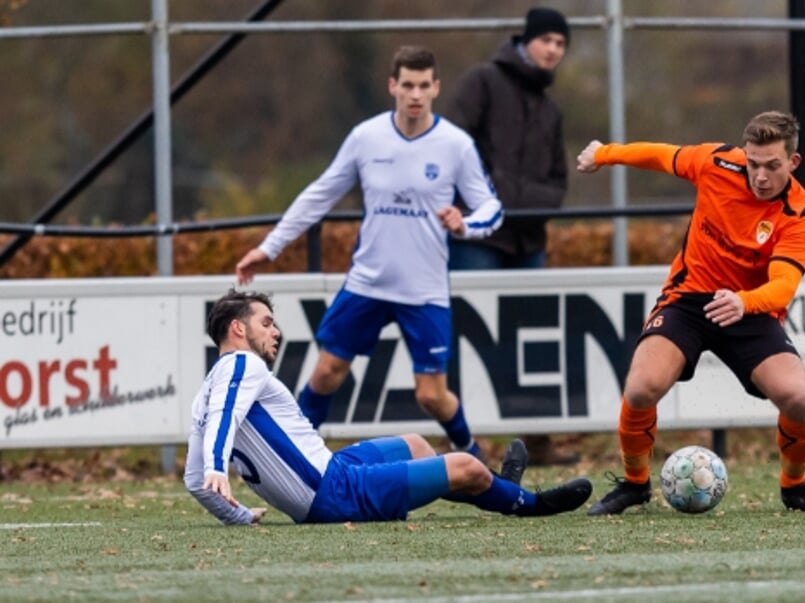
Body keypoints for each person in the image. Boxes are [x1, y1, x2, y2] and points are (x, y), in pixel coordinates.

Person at [235, 46, 503, 461]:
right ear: (393, 86)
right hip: (368, 283)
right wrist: (269, 247)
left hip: (424, 289)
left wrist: (465, 224)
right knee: (325, 373)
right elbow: (321, 193)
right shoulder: (367, 137)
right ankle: (294, 459)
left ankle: (473, 453)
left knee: (431, 396)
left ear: (435, 88)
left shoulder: (455, 145)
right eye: (407, 85)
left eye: (424, 86)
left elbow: (491, 207)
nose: (415, 94)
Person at [576, 111, 805, 514]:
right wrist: (605, 153)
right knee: (641, 387)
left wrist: (743, 301)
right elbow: (662, 155)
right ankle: (634, 484)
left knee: (798, 399)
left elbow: (783, 286)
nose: (761, 176)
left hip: (750, 309)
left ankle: (796, 488)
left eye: (772, 166)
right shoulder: (717, 163)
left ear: (793, 162)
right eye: (753, 164)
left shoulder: (799, 216)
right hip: (688, 300)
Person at [183, 289, 593, 525]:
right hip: (333, 495)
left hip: (334, 472)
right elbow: (225, 423)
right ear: (238, 328)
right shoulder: (243, 364)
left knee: (416, 443)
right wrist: (219, 467)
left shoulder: (205, 392)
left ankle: (501, 489)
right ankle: (532, 504)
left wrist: (237, 516)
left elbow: (191, 479)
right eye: (267, 322)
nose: (276, 331)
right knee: (466, 467)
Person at [445, 7, 577, 466]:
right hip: (478, 239)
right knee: (466, 339)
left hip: (527, 242)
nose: (553, 50)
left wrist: (529, 206)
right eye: (547, 41)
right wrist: (490, 203)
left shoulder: (551, 107)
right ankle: (462, 446)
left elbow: (558, 179)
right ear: (527, 40)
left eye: (560, 44)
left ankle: (536, 443)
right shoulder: (482, 81)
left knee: (532, 342)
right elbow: (451, 147)